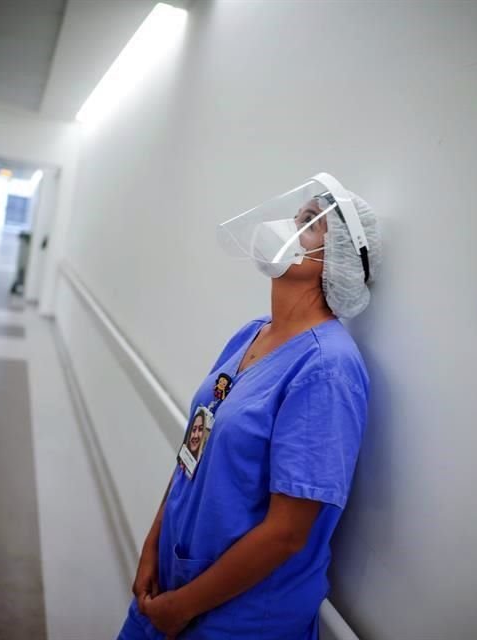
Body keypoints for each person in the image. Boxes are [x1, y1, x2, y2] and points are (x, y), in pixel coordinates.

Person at [117, 173, 382, 639]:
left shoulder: (327, 369)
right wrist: (152, 545)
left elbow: (287, 533)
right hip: (170, 587)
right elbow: (193, 451)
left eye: (307, 222)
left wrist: (182, 607)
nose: (286, 225)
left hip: (239, 620)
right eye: (296, 214)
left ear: (335, 259)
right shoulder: (252, 334)